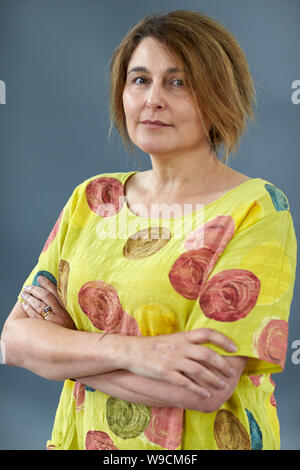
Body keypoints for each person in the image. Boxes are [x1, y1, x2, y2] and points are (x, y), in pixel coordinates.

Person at [1, 10, 297, 451]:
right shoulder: (92, 199)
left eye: (177, 82)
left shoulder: (257, 210)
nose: (152, 99)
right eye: (139, 80)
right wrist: (140, 353)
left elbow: (203, 389)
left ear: (219, 96)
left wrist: (65, 350)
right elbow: (14, 342)